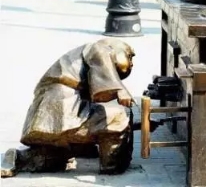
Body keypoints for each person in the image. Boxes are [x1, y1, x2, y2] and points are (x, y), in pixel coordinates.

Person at [0, 39, 137, 177]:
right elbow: (103, 72)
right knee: (119, 116)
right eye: (130, 57)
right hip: (63, 110)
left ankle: (20, 158)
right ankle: (111, 166)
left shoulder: (84, 56)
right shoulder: (101, 47)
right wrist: (119, 90)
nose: (131, 63)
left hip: (53, 113)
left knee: (54, 159)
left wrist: (138, 125)